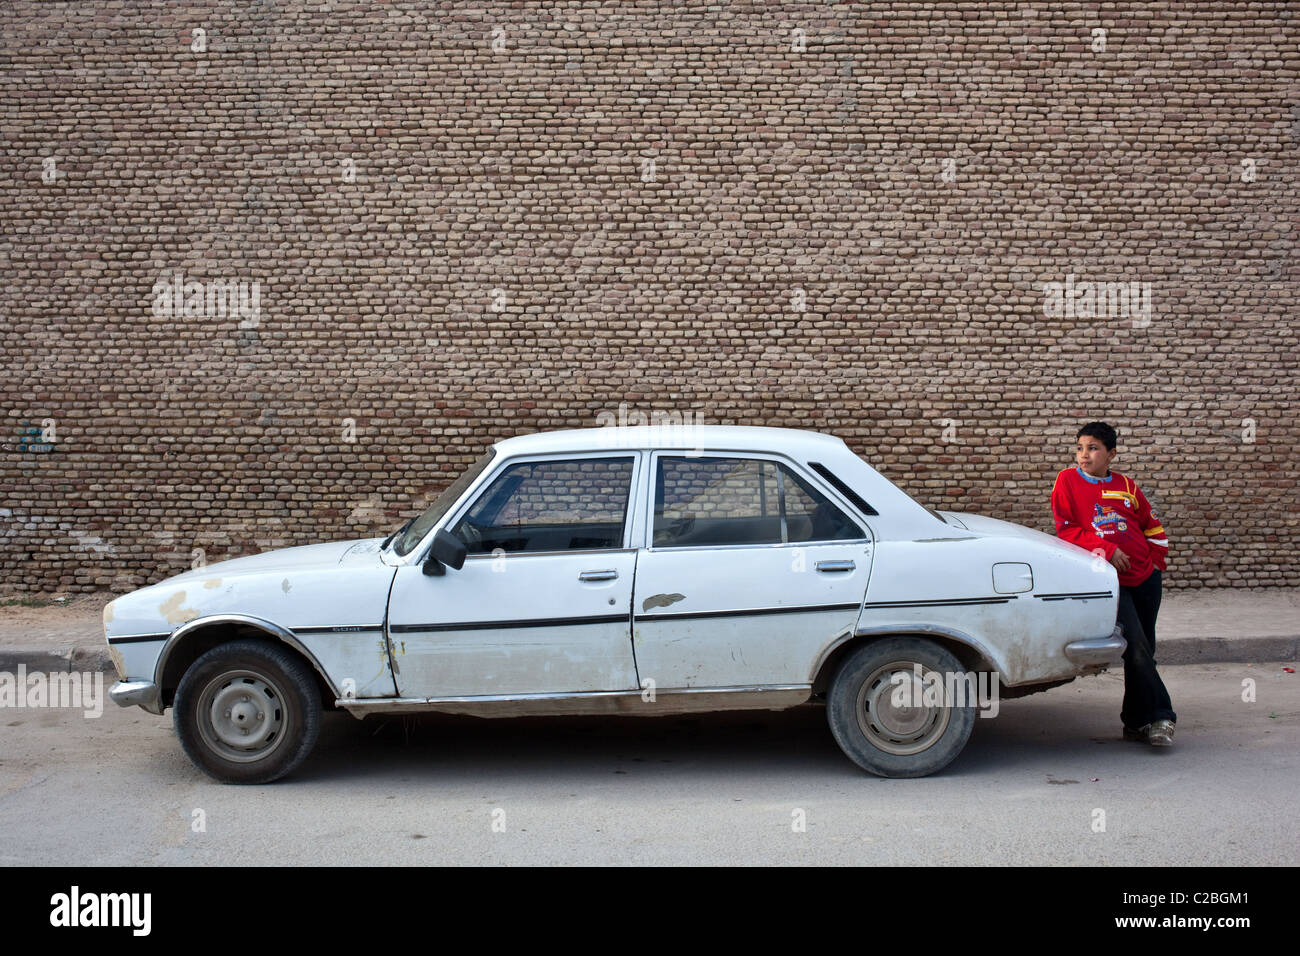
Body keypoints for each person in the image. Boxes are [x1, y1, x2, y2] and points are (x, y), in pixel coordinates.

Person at [1050, 421, 1176, 746]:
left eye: (1092, 449)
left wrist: (1156, 564)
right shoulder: (1067, 482)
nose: (1084, 455)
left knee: (1144, 649)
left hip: (1146, 579)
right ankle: (1162, 716)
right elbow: (1067, 531)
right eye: (1080, 448)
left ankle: (1134, 724)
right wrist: (1107, 549)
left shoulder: (1126, 486)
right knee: (1136, 648)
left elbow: (1150, 525)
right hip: (1111, 582)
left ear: (1111, 454)